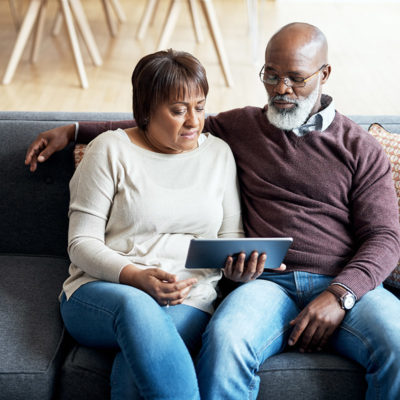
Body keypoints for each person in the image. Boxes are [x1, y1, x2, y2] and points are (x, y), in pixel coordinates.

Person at [25, 23, 400, 400]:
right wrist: (75, 131)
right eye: (271, 76)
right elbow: (159, 126)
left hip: (346, 283)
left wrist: (342, 293)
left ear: (325, 74)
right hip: (268, 285)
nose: (281, 89)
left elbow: (386, 238)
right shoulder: (241, 126)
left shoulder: (360, 148)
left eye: (296, 79)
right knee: (224, 341)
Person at [54, 48, 272, 400]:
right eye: (177, 110)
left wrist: (238, 270)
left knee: (132, 372)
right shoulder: (108, 150)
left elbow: (230, 237)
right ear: (146, 110)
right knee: (137, 307)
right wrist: (135, 277)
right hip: (103, 293)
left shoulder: (218, 154)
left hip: (189, 299)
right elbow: (81, 243)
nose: (193, 121)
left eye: (200, 106)